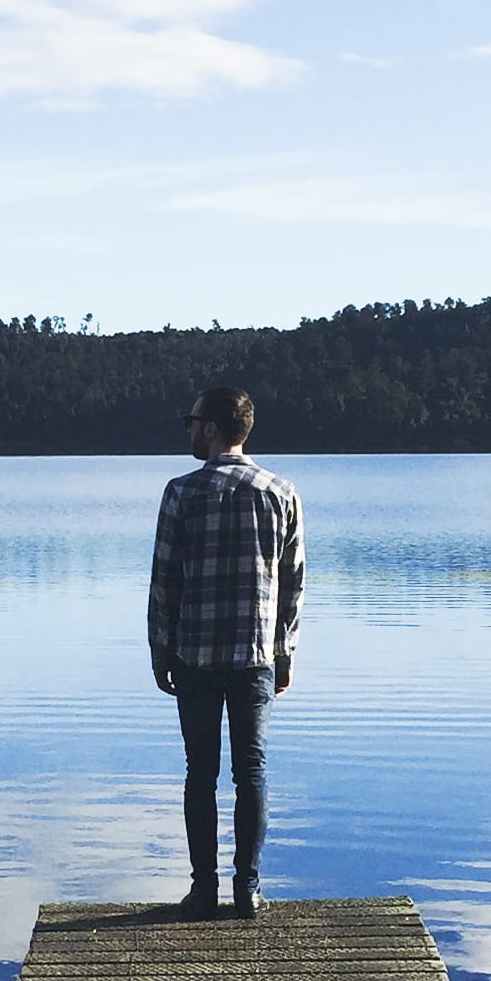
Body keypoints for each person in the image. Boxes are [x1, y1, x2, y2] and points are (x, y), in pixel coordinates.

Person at [147, 385, 306, 922]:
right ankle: (248, 889)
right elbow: (293, 584)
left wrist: (159, 650)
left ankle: (202, 889)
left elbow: (163, 581)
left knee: (201, 772)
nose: (188, 430)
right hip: (254, 657)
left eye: (192, 422)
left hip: (194, 655)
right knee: (252, 772)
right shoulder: (281, 492)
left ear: (213, 428)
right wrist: (284, 652)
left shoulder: (181, 492)